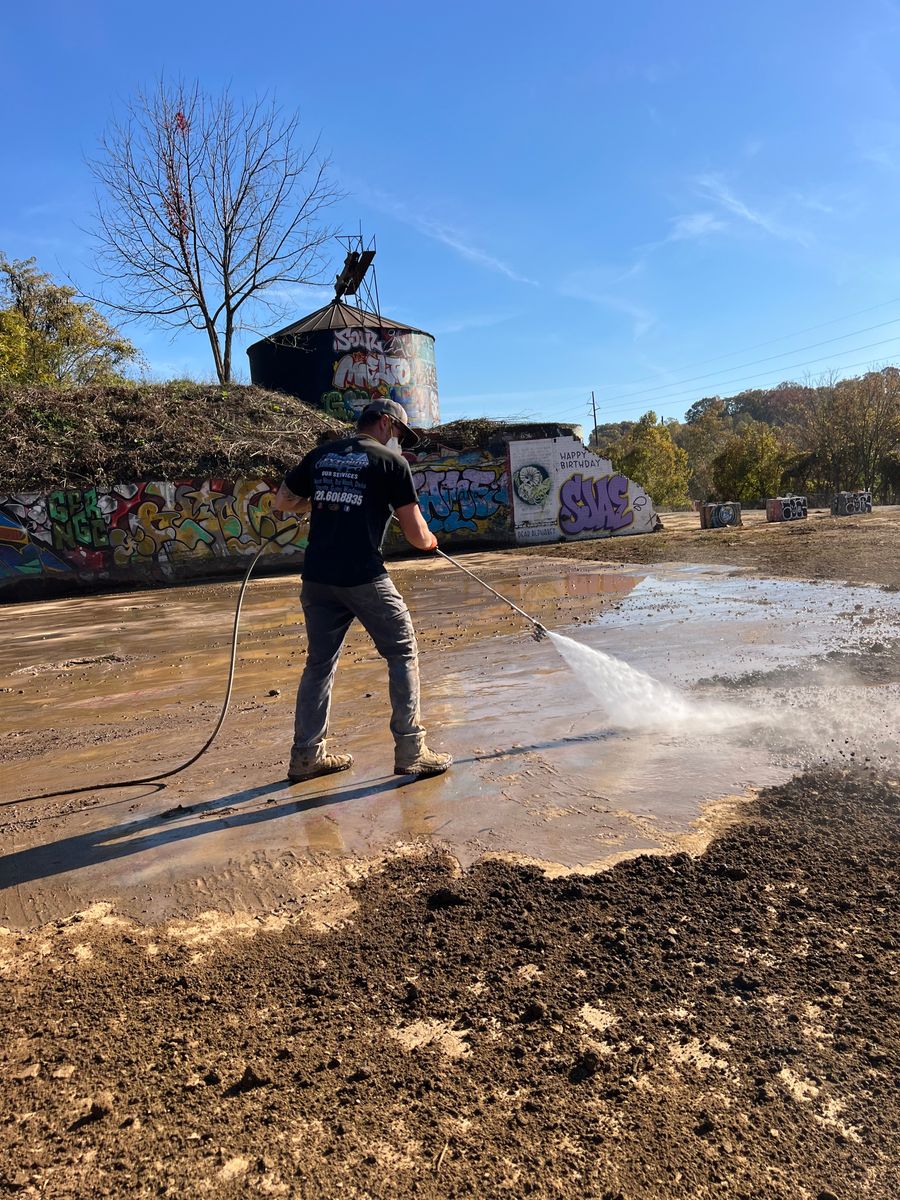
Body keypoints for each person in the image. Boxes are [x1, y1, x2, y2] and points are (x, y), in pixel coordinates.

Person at [273, 398, 452, 783]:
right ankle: (411, 750)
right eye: (400, 433)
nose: (400, 441)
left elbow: (283, 502)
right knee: (402, 651)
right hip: (363, 576)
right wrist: (431, 540)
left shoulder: (321, 456)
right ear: (386, 424)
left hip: (317, 578)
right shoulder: (391, 463)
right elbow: (417, 535)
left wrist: (324, 499)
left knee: (319, 665)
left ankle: (306, 756)